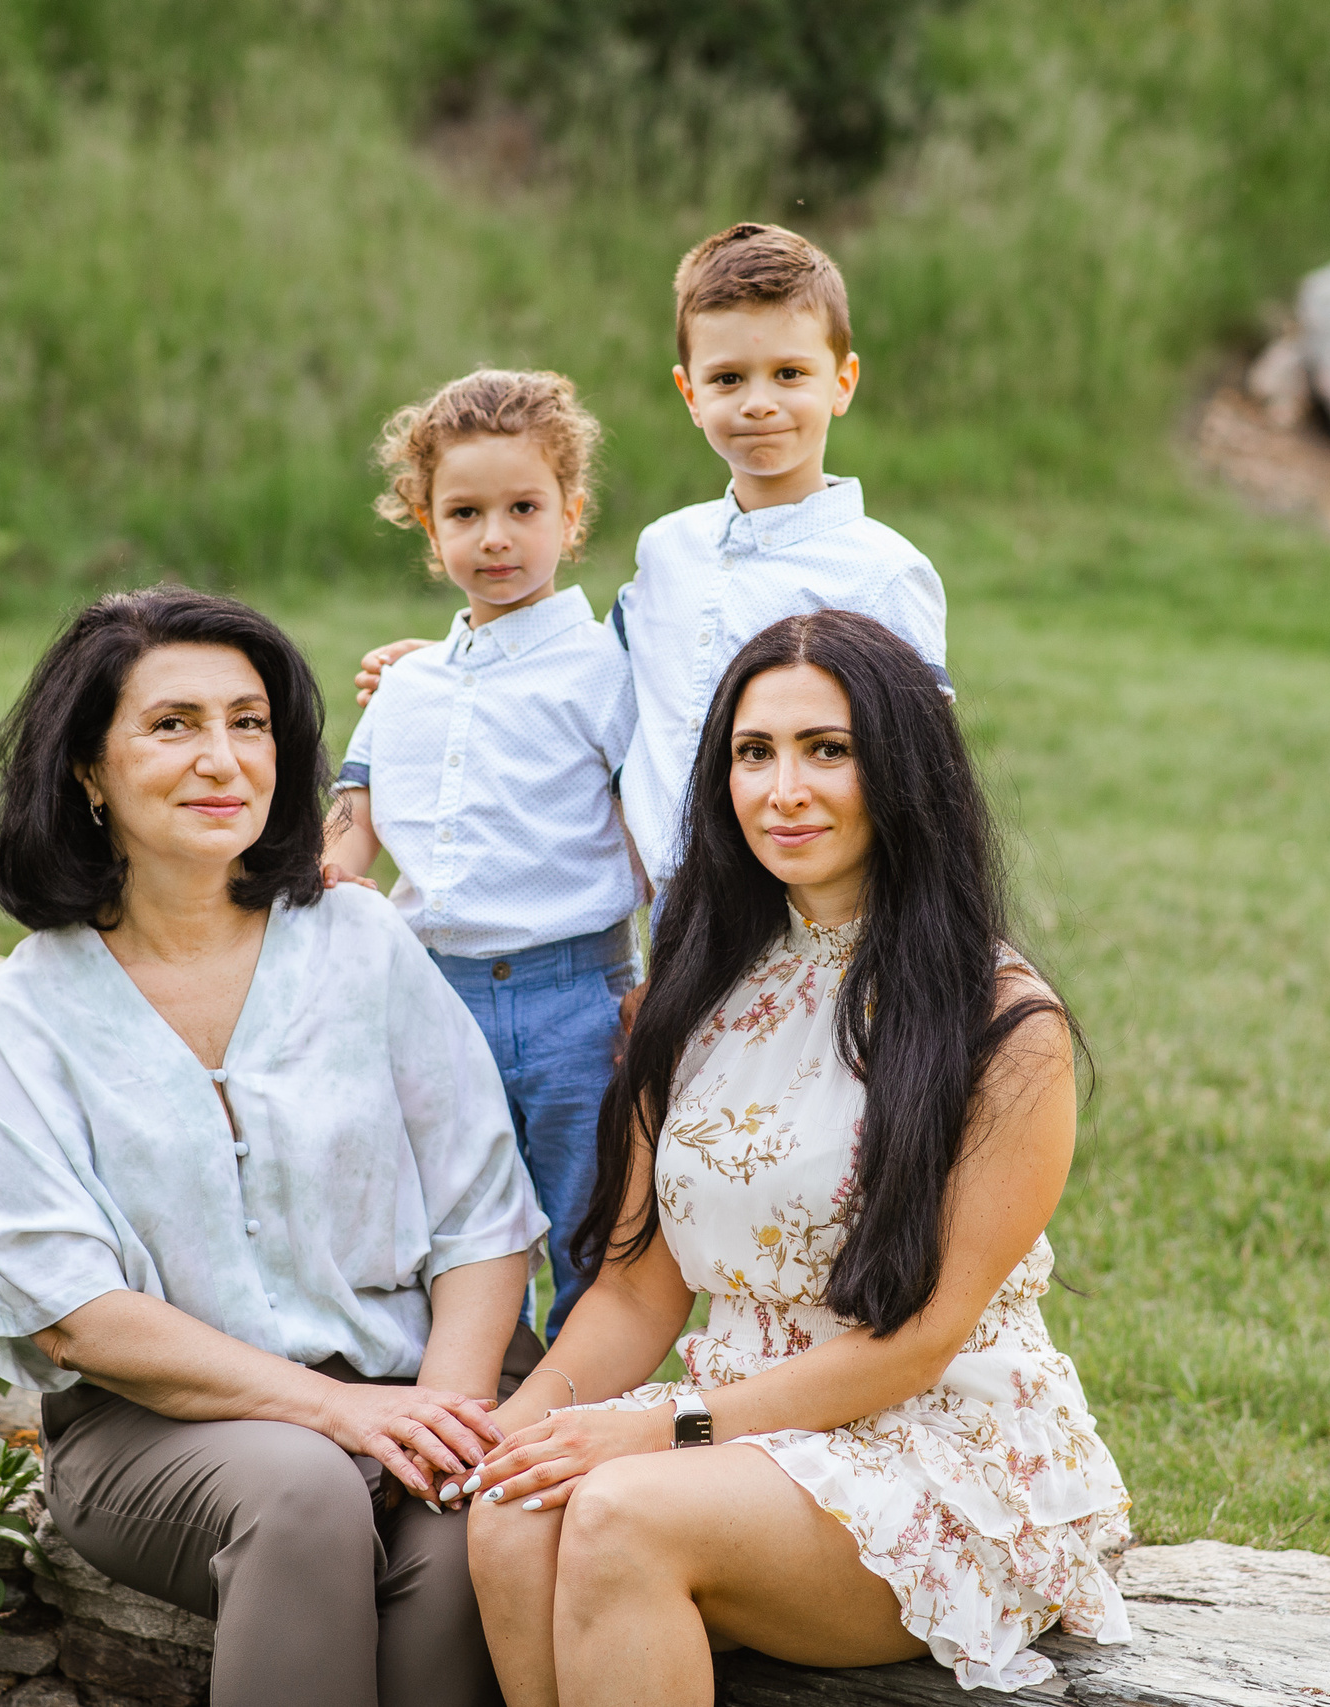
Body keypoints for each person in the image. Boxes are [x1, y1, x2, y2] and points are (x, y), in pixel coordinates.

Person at [458, 610, 1133, 1704]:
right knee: (512, 1509)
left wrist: (663, 1427)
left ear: (902, 772)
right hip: (736, 1438)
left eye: (829, 751)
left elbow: (914, 1346)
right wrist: (515, 1437)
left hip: (939, 1453)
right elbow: (635, 1290)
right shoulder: (696, 988)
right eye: (753, 753)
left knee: (622, 1514)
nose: (784, 790)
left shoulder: (1003, 1026)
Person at [0, 587, 551, 1707]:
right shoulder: (17, 1017)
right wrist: (338, 1415)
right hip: (165, 1433)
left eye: (249, 721)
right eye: (173, 725)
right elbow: (74, 1309)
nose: (222, 759)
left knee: (471, 1535)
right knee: (303, 1492)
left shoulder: (359, 941)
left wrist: (443, 1421)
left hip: (427, 1377)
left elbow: (481, 1215)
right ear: (88, 767)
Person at [351, 221, 950, 896]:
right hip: (680, 914)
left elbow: (927, 781)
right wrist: (459, 664)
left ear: (842, 382)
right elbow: (593, 673)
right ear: (690, 394)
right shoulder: (669, 549)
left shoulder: (882, 571)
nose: (758, 402)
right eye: (727, 378)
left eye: (790, 373)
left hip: (818, 901)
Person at [324, 370, 645, 1338]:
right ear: (429, 528)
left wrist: (663, 980)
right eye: (464, 513)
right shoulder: (408, 687)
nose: (495, 536)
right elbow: (347, 843)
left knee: (589, 1221)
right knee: (450, 1219)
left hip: (574, 1002)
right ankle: (480, 1392)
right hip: (432, 999)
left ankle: (573, 1404)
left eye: (523, 508)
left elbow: (653, 838)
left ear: (570, 515)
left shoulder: (604, 670)